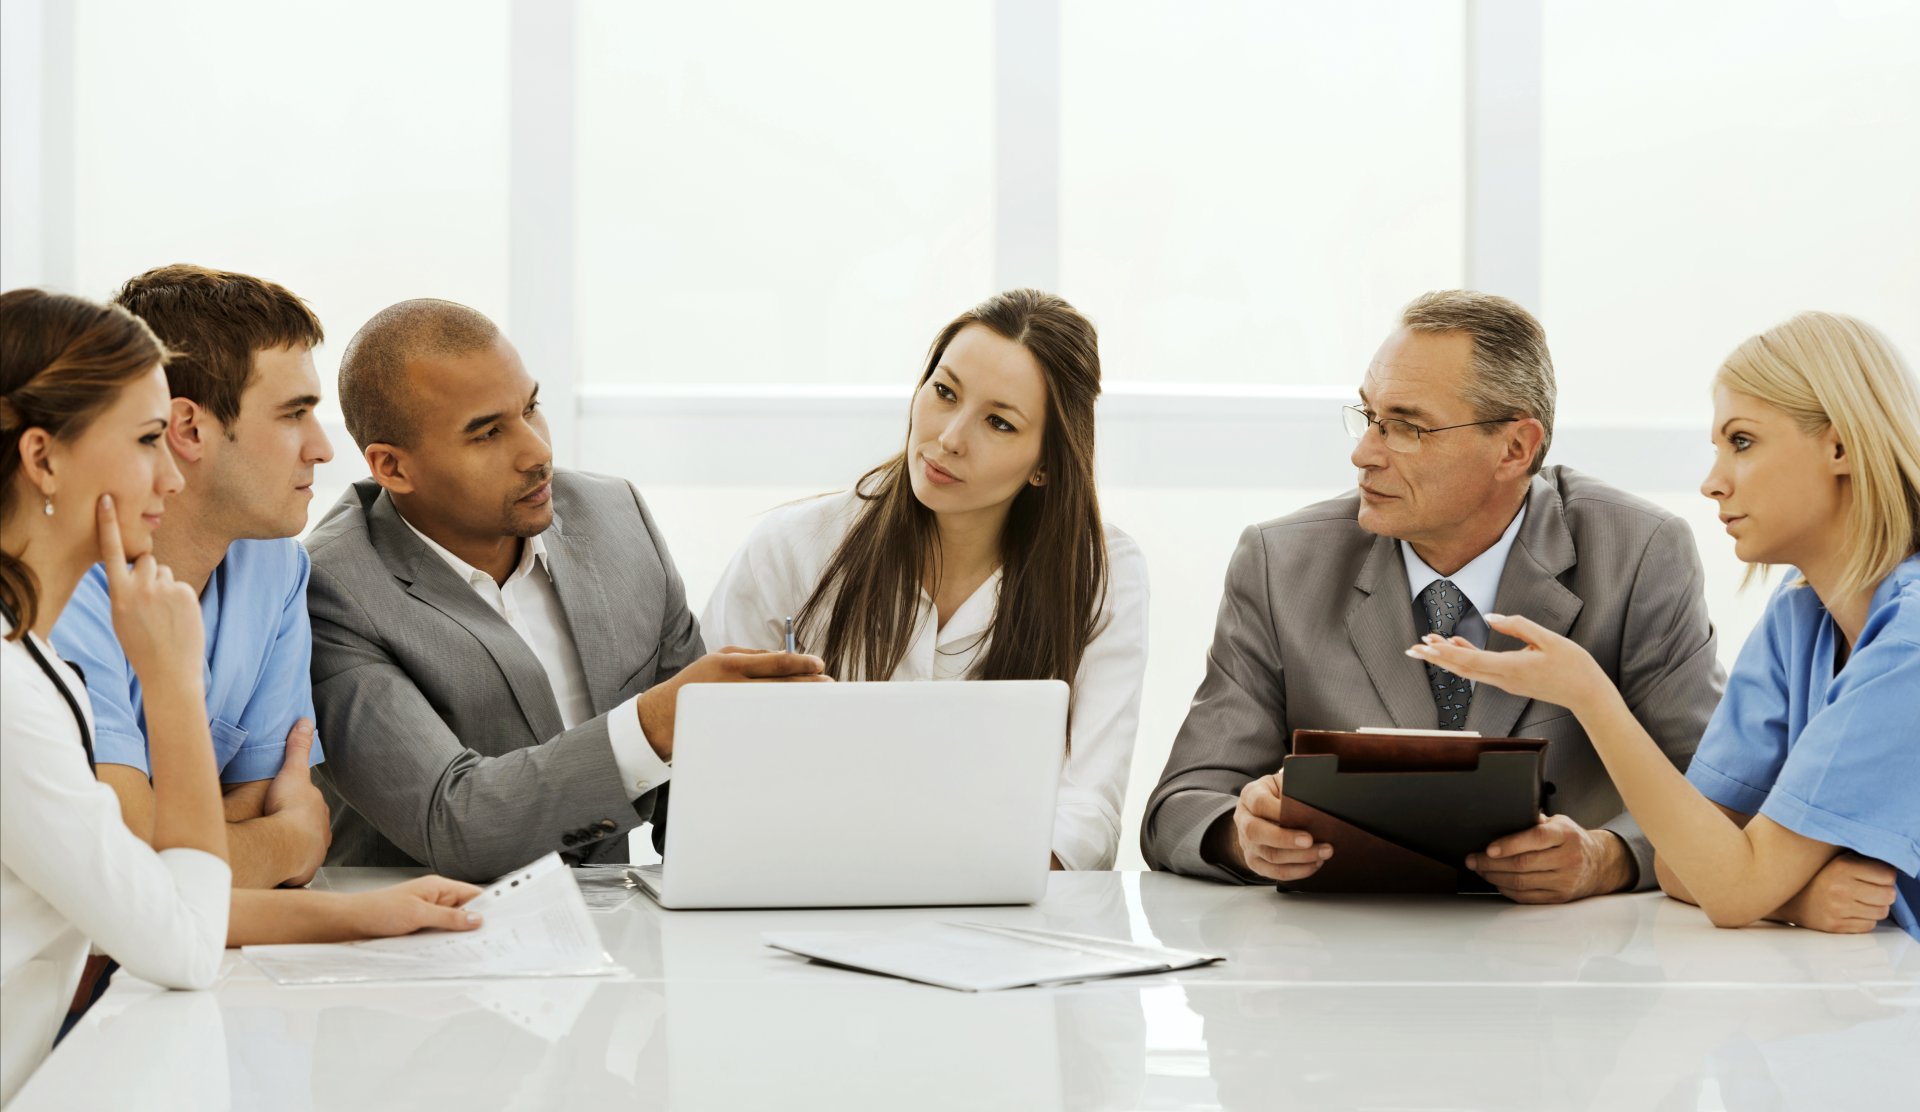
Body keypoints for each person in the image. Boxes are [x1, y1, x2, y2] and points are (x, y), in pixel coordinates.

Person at [0, 290, 480, 1105]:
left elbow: (157, 895)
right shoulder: (15, 695)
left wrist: (363, 915)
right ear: (43, 460)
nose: (167, 475)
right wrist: (174, 683)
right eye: (148, 439)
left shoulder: (32, 665)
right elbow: (178, 938)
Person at [1142, 290, 1725, 901]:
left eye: (1406, 427)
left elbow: (1720, 790)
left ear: (1515, 448)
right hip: (1336, 956)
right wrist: (1244, 835)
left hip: (1557, 959)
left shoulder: (1638, 553)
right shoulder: (1279, 563)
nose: (1363, 454)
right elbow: (1178, 808)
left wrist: (1607, 858)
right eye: (1368, 417)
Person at [1412, 311, 1919, 938]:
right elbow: (1687, 866)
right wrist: (1796, 899)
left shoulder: (1910, 643)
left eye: (1742, 441)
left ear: (1839, 446)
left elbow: (1730, 888)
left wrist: (1588, 693)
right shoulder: (1797, 618)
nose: (1712, 483)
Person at [308, 299, 826, 882]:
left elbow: (697, 792)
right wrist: (654, 722)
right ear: (392, 467)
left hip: (618, 930)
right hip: (420, 947)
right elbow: (454, 823)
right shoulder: (332, 588)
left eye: (532, 408)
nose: (538, 452)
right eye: (487, 433)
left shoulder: (617, 518)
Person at [702, 289, 1149, 870]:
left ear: (1046, 463)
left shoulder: (1102, 572)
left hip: (1000, 921)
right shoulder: (793, 547)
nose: (950, 437)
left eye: (998, 422)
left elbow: (1087, 812)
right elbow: (705, 764)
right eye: (944, 393)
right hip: (806, 893)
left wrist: (975, 886)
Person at [53, 265, 334, 891]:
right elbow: (123, 861)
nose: (322, 448)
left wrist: (201, 839)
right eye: (295, 414)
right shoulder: (64, 583)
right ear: (189, 429)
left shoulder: (277, 565)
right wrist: (291, 842)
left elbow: (261, 795)